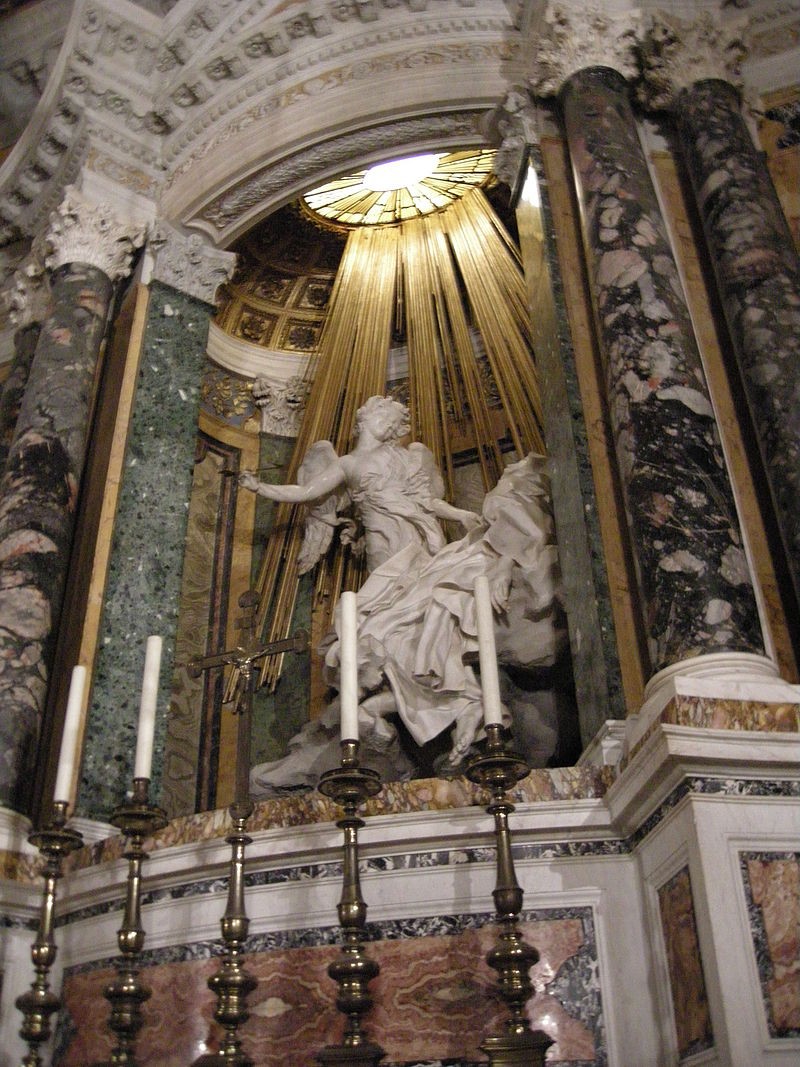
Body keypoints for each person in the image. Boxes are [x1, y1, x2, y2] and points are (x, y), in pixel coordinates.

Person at [239, 397, 565, 783]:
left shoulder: (405, 459)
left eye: (393, 421)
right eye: (382, 416)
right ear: (364, 418)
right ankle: (445, 701)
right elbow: (307, 491)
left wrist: (459, 514)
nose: (388, 425)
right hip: (384, 557)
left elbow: (428, 502)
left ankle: (451, 697)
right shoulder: (347, 463)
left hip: (420, 547)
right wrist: (260, 487)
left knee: (418, 621)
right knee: (379, 626)